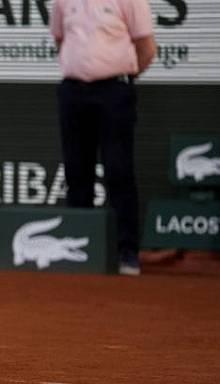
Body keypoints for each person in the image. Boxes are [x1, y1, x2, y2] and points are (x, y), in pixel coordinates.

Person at [50, 0, 156, 276]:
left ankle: (127, 252)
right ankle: (79, 251)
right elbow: (60, 39)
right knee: (76, 172)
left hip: (114, 92)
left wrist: (118, 75)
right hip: (73, 92)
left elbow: (146, 49)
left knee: (118, 170)